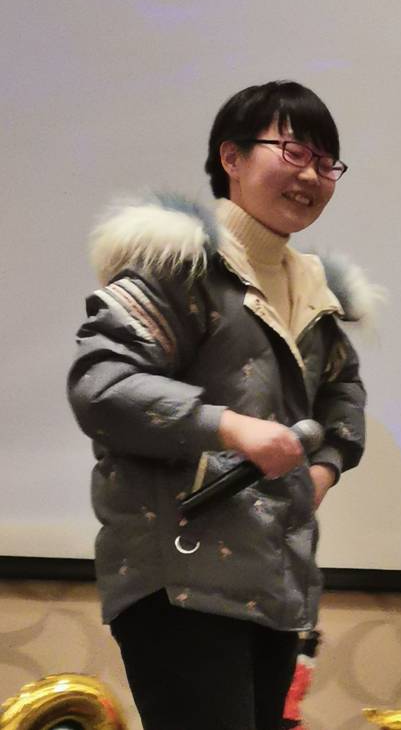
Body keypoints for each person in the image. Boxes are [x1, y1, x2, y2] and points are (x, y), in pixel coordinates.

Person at [68, 80, 377, 730]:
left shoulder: (313, 289)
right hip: (179, 578)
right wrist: (233, 429)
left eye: (327, 163)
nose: (312, 175)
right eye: (293, 152)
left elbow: (343, 396)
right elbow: (102, 386)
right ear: (230, 157)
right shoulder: (176, 266)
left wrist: (321, 471)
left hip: (278, 583)